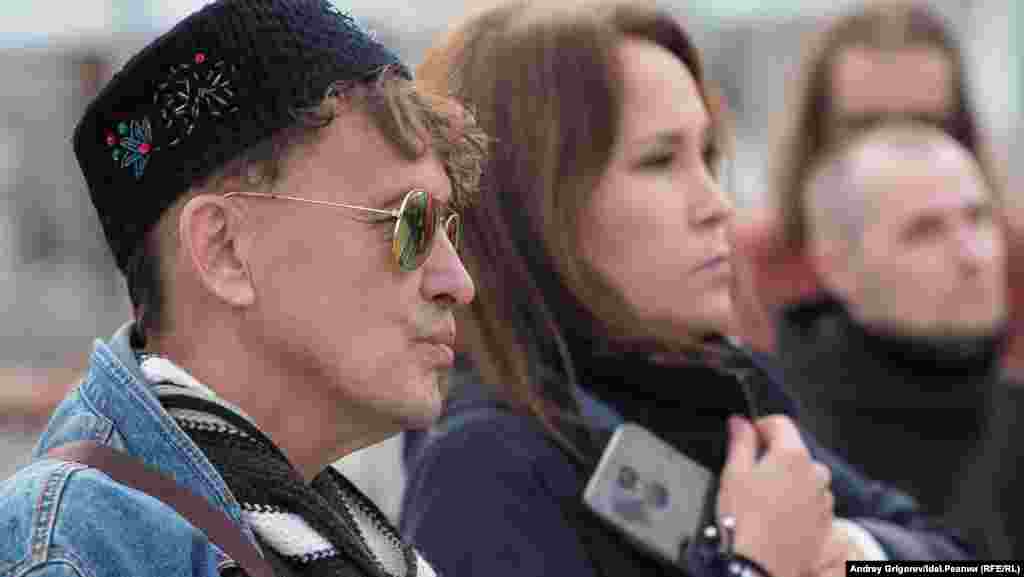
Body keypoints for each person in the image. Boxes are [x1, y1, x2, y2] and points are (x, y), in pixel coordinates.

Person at [399, 3, 973, 577]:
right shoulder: (480, 469)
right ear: (532, 202)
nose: (716, 205)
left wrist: (844, 549)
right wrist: (757, 566)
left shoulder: (710, 388)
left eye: (708, 157)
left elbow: (953, 557)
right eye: (660, 161)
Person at [0, 1, 486, 576]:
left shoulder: (321, 534)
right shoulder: (83, 553)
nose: (458, 282)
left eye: (446, 228)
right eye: (408, 222)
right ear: (225, 249)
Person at [788, 122, 1011, 556]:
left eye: (979, 217)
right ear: (837, 267)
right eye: (925, 231)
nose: (972, 255)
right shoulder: (783, 434)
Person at [733, 1, 999, 354]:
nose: (894, 149)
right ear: (815, 133)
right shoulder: (745, 271)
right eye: (864, 126)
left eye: (925, 124)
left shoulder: (1008, 268)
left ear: (963, 134)